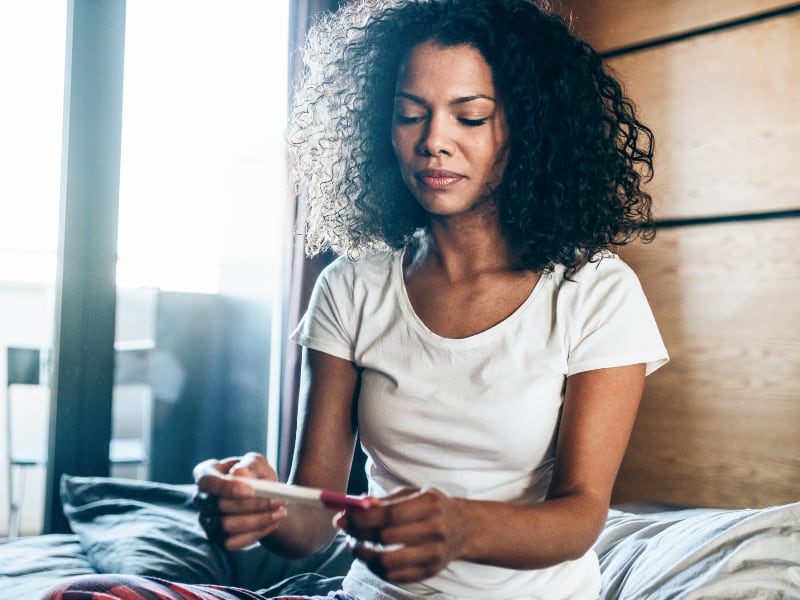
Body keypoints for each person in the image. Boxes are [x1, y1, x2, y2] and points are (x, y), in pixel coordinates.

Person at [44, 0, 668, 598]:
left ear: (529, 128)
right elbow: (311, 526)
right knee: (86, 595)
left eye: (469, 116)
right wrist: (259, 505)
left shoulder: (595, 291)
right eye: (409, 113)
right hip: (366, 596)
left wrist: (463, 527)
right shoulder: (350, 286)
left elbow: (581, 514)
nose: (433, 141)